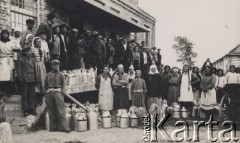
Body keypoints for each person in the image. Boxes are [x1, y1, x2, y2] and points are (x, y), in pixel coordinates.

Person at [45, 60, 70, 133]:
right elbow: (45, 84)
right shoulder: (48, 75)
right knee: (51, 111)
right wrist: (46, 93)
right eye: (54, 65)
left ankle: (64, 127)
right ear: (51, 66)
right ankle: (53, 127)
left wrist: (63, 92)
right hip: (49, 92)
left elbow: (64, 85)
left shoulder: (61, 74)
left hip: (58, 92)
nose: (56, 67)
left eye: (57, 65)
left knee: (61, 111)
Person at [17, 45, 37, 116]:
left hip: (32, 79)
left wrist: (36, 79)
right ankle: (25, 110)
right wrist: (20, 79)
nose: (29, 52)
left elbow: (35, 70)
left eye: (29, 51)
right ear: (24, 52)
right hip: (24, 80)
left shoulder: (33, 59)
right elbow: (19, 70)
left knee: (32, 95)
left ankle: (31, 109)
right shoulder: (21, 59)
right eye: (27, 51)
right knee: (25, 95)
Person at [0, 30, 15, 97]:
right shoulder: (0, 42)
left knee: (9, 75)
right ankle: (2, 90)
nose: (5, 35)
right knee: (2, 75)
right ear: (2, 34)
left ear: (8, 35)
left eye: (6, 34)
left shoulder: (11, 42)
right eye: (4, 34)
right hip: (2, 59)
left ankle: (9, 90)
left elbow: (15, 49)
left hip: (9, 59)